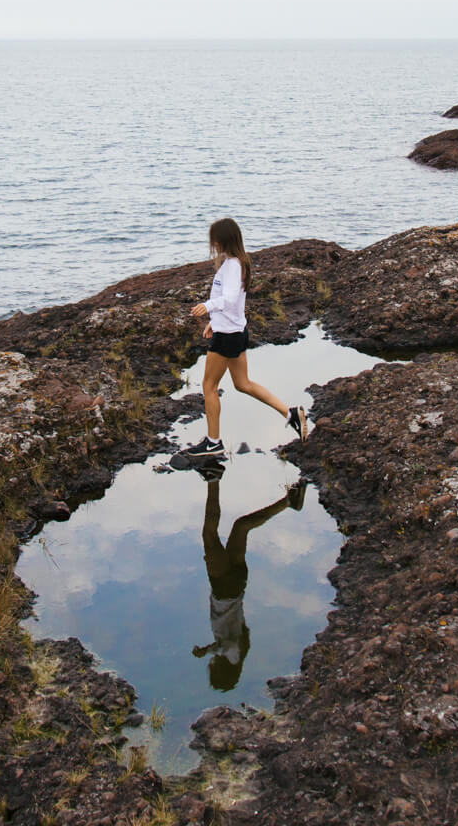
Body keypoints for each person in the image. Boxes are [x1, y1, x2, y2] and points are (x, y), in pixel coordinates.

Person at [184, 218, 306, 461]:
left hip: (227, 337)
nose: (213, 243)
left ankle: (213, 443)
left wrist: (207, 307)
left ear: (223, 240)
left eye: (215, 239)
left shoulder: (232, 266)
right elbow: (235, 304)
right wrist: (213, 321)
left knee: (209, 387)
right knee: (243, 383)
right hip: (234, 331)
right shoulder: (237, 263)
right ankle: (290, 413)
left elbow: (228, 299)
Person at [192, 473, 305, 689]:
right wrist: (208, 650)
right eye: (214, 671)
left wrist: (211, 648)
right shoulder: (235, 656)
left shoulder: (240, 652)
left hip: (235, 586)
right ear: (223, 672)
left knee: (241, 526)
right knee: (209, 534)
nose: (211, 667)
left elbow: (227, 644)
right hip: (225, 590)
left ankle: (289, 501)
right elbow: (229, 645)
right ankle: (213, 480)